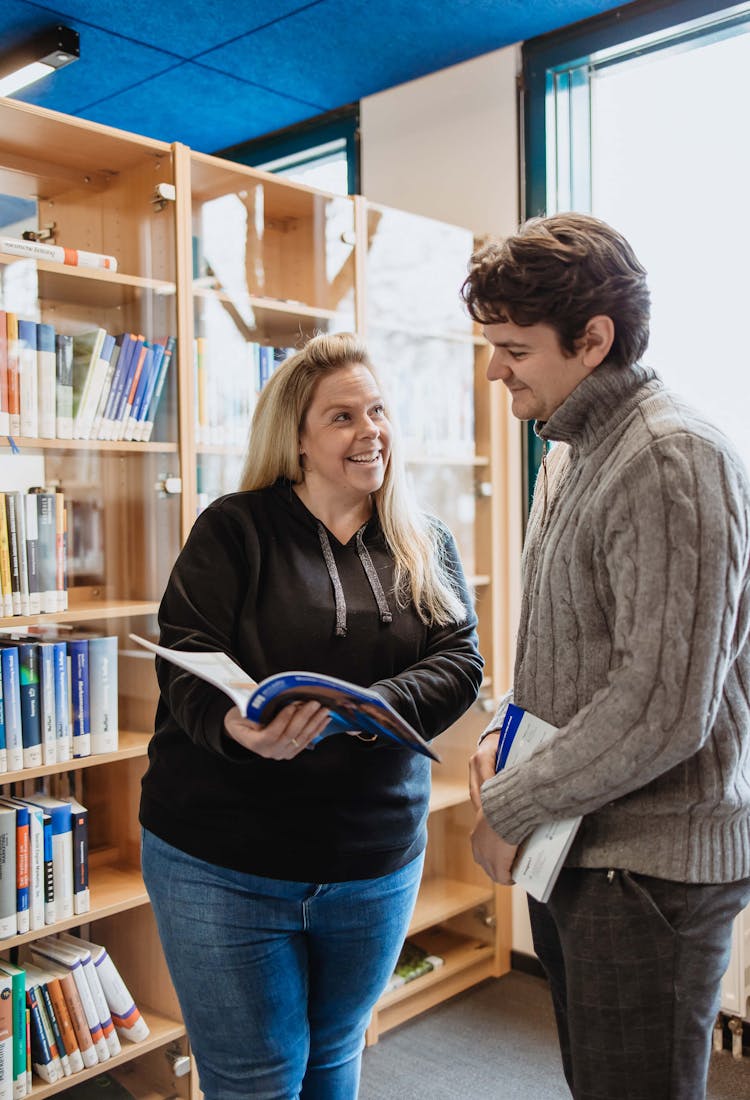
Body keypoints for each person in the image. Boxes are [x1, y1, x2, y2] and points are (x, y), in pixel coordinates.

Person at [139, 331, 483, 1100]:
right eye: (343, 418)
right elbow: (185, 654)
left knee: (332, 1057)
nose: (372, 433)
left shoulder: (423, 541)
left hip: (372, 861)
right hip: (222, 861)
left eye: (379, 411)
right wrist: (234, 727)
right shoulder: (235, 528)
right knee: (255, 1080)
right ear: (295, 440)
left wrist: (376, 706)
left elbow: (462, 660)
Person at [463, 213, 750, 1100]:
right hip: (585, 844)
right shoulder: (572, 450)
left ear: (594, 340)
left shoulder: (669, 459)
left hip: (648, 873)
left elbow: (663, 705)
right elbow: (570, 644)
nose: (493, 369)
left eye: (513, 348)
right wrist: (506, 733)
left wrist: (508, 805)